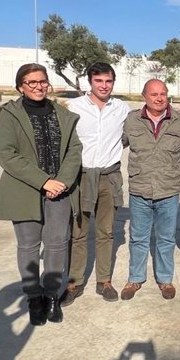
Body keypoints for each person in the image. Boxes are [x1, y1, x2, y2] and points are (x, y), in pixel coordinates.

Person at [0, 63, 82, 325]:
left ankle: (52, 296)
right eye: (31, 82)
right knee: (29, 246)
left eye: (42, 81)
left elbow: (74, 150)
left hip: (60, 191)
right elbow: (7, 154)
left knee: (57, 244)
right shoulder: (9, 115)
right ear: (20, 86)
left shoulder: (62, 114)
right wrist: (44, 181)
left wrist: (62, 182)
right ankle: (34, 297)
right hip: (24, 189)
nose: (38, 86)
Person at [62, 62, 130, 305]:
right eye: (99, 81)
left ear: (113, 82)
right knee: (78, 232)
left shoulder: (121, 107)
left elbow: (126, 137)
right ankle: (75, 282)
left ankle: (104, 280)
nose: (104, 86)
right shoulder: (74, 106)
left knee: (107, 231)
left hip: (109, 177)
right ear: (90, 81)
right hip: (80, 177)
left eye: (108, 81)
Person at [119, 79, 180, 300]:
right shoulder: (131, 121)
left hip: (168, 190)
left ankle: (165, 280)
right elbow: (113, 145)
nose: (159, 98)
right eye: (154, 94)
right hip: (139, 190)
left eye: (163, 94)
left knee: (166, 238)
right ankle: (135, 278)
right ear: (144, 97)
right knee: (138, 238)